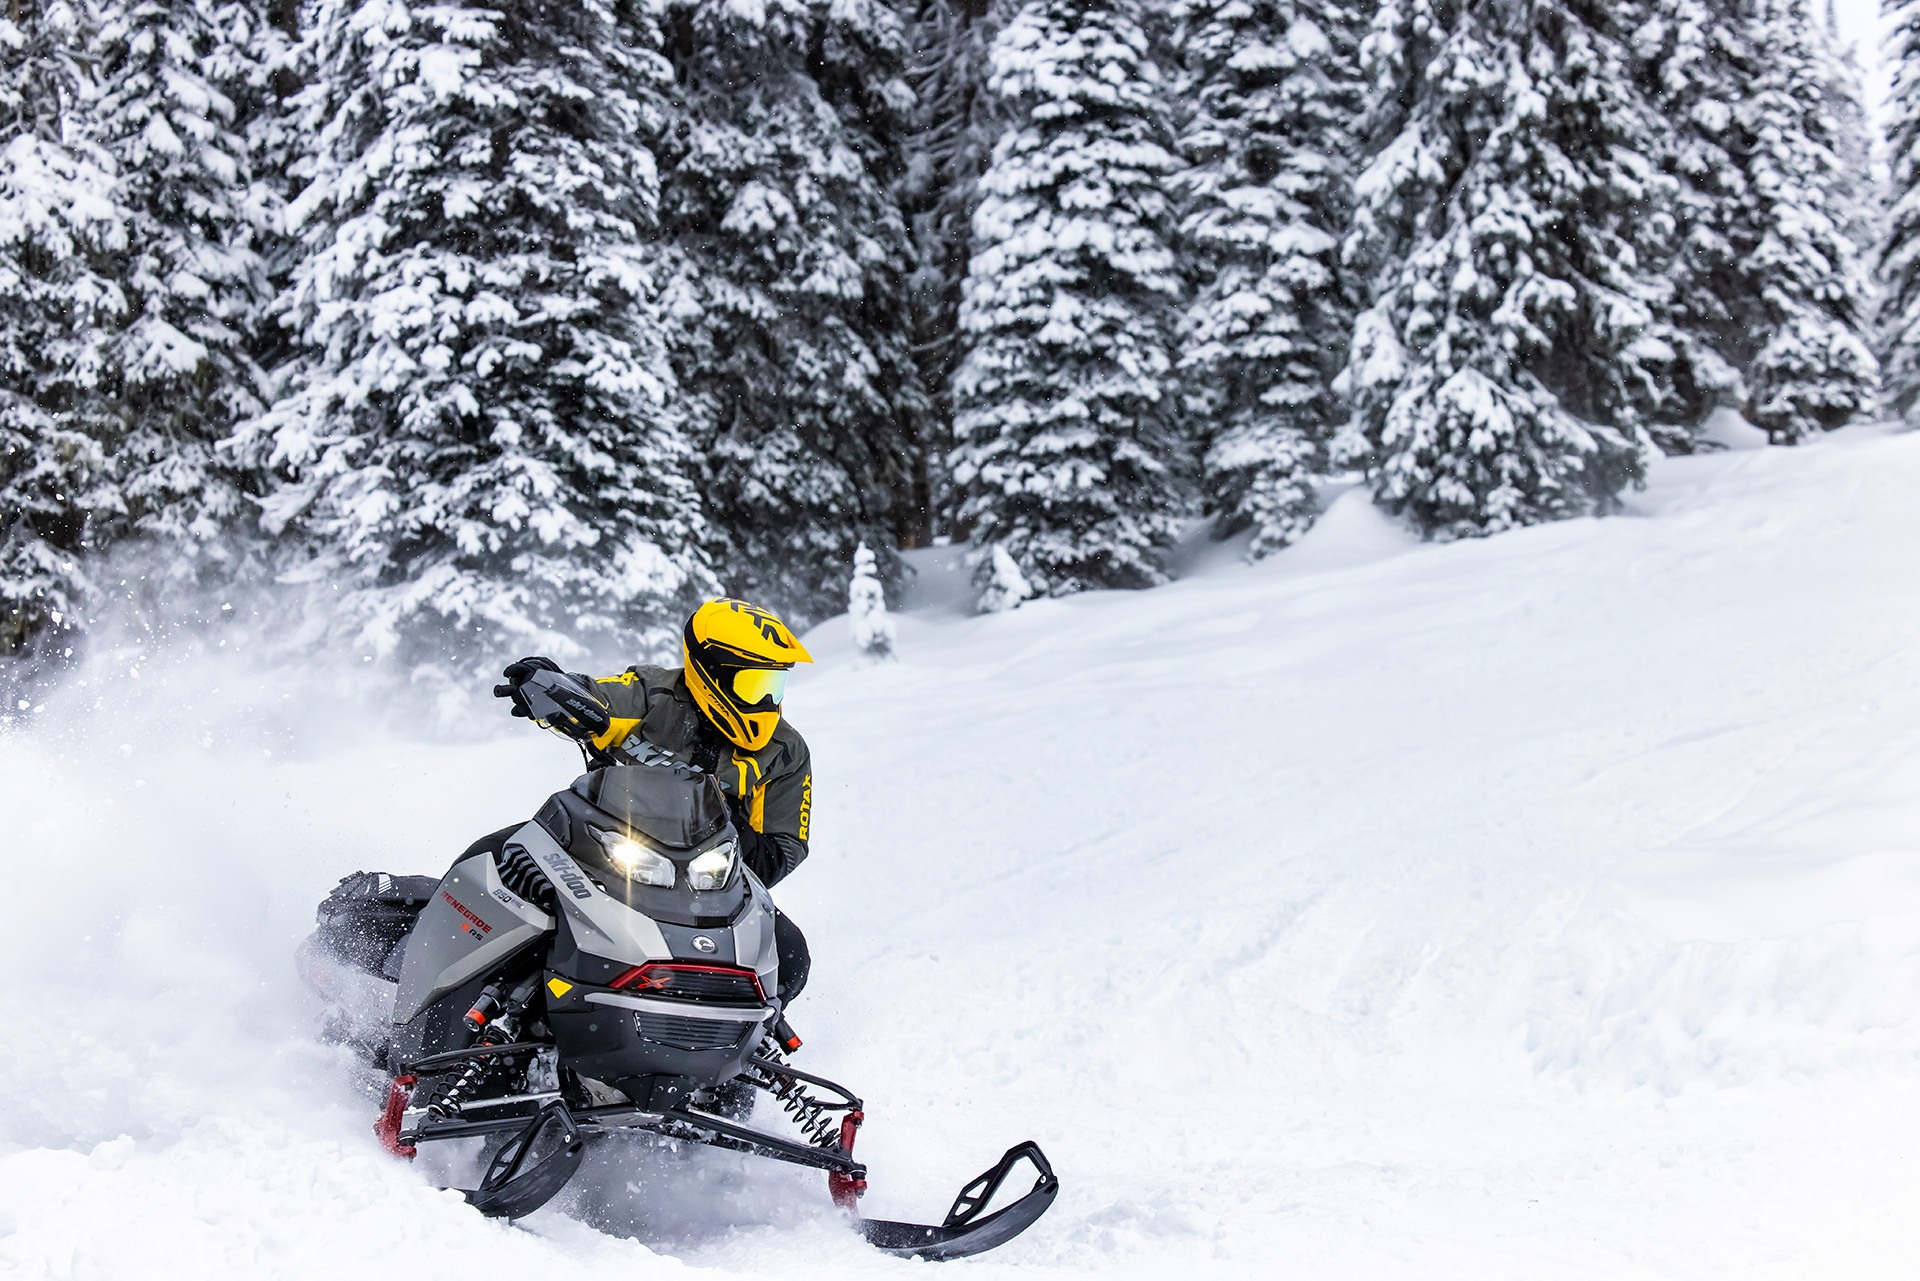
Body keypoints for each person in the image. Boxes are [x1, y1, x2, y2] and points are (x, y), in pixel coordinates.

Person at [494, 598, 816, 1006]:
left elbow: (783, 847)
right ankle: (451, 987)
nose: (767, 702)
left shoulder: (784, 751)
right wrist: (546, 685)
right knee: (493, 860)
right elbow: (595, 698)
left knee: (788, 955)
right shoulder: (652, 695)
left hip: (708, 885)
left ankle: (755, 1041)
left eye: (773, 687)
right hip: (602, 852)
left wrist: (715, 822)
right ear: (710, 673)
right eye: (754, 687)